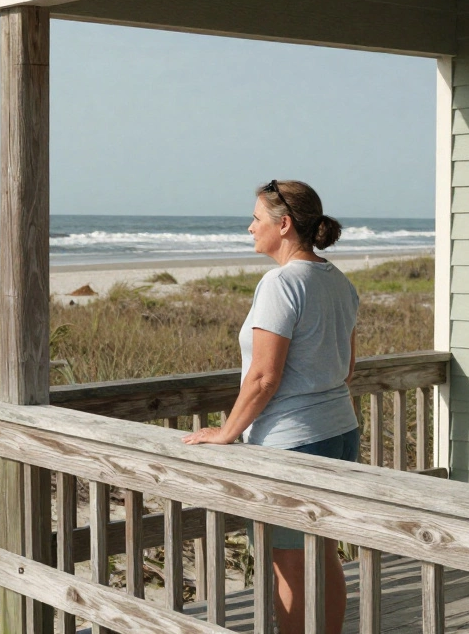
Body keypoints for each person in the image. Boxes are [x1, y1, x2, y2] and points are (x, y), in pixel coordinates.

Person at [182, 179, 358, 634]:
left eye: (256, 219)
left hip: (293, 442)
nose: (249, 227)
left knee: (289, 563)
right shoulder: (339, 282)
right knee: (323, 551)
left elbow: (263, 377)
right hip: (340, 431)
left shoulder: (281, 283)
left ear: (283, 225)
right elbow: (347, 367)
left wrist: (226, 433)